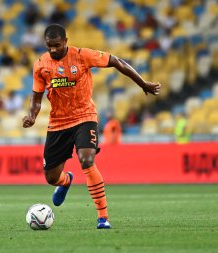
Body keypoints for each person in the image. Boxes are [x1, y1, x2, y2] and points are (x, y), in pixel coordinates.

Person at [22, 24, 161, 229]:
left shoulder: (82, 56)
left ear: (66, 41)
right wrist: (32, 116)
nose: (52, 50)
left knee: (87, 160)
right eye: (49, 46)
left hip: (84, 117)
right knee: (52, 177)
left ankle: (103, 217)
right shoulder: (41, 65)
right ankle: (66, 181)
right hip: (58, 123)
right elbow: (36, 98)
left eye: (57, 46)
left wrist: (142, 84)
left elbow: (116, 61)